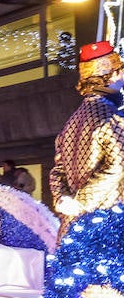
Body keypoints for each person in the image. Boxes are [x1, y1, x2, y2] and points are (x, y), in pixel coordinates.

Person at [49, 40, 124, 241]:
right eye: (121, 71)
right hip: (105, 225)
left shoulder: (70, 123)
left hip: (71, 230)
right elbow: (117, 166)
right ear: (113, 75)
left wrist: (63, 200)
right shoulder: (113, 117)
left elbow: (57, 170)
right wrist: (81, 202)